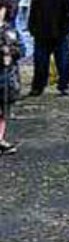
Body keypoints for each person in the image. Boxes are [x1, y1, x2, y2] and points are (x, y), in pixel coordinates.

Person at [28, 0, 69, 97]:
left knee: (62, 62)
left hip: (60, 34)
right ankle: (38, 87)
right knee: (40, 62)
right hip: (41, 35)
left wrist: (65, 30)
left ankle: (64, 85)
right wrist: (32, 29)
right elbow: (32, 13)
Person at [0, 13, 19, 155]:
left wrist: (11, 53)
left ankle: (0, 138)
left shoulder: (9, 31)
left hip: (6, 76)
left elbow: (20, 50)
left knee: (3, 110)